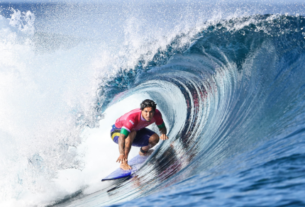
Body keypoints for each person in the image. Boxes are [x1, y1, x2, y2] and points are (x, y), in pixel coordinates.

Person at [110, 99, 168, 170]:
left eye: (151, 112)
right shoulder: (132, 118)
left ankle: (143, 152)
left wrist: (163, 134)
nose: (148, 115)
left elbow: (162, 127)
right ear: (141, 110)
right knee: (132, 132)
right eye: (146, 112)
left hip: (136, 130)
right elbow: (121, 138)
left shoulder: (157, 114)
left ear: (154, 111)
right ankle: (123, 163)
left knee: (155, 138)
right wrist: (121, 154)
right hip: (116, 132)